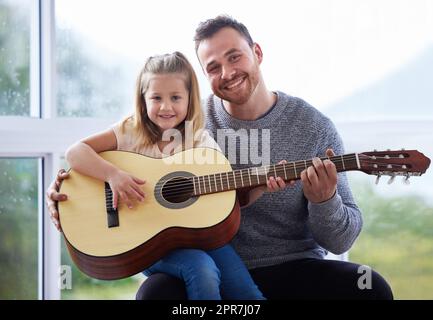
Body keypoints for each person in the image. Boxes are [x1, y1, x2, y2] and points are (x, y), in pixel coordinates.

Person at [48, 16, 393, 300]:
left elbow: (341, 240)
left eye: (234, 57)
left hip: (294, 265)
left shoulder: (313, 127)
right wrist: (72, 195)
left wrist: (325, 200)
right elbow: (116, 151)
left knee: (370, 288)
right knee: (156, 295)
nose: (226, 72)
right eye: (213, 66)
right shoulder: (187, 121)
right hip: (204, 266)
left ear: (257, 52)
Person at [55, 51, 278, 300]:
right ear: (143, 99)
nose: (166, 107)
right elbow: (75, 152)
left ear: (189, 99)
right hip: (148, 244)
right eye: (156, 97)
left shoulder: (200, 141)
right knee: (202, 270)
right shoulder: (130, 131)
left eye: (175, 97)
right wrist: (113, 175)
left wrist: (262, 186)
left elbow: (227, 197)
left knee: (248, 296)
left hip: (201, 236)